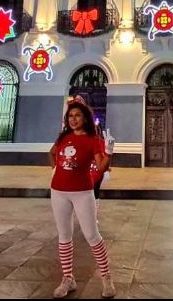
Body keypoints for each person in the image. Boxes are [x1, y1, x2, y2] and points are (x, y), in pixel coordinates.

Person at [49, 99, 115, 298]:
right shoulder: (63, 138)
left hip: (83, 193)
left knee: (92, 236)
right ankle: (68, 278)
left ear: (85, 118)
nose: (73, 119)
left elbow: (101, 167)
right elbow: (51, 153)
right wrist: (55, 169)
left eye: (77, 115)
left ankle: (106, 278)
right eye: (70, 116)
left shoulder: (92, 141)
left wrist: (109, 153)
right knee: (64, 236)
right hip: (58, 191)